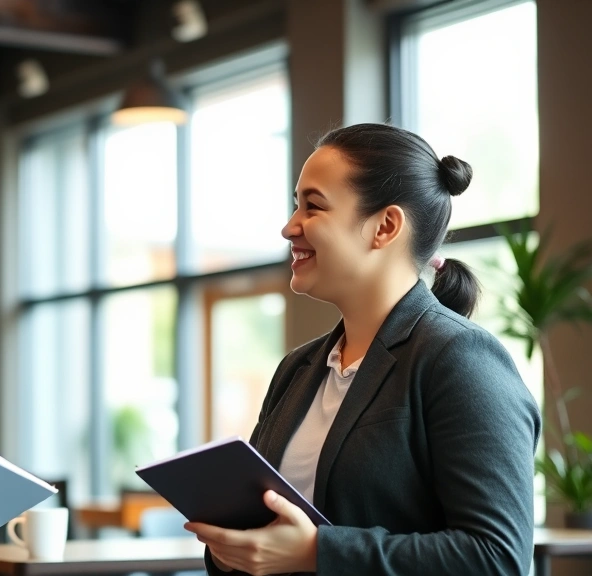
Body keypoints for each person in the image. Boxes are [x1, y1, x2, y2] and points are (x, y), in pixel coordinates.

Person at [185, 123, 541, 575]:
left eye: (312, 206)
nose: (289, 227)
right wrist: (234, 546)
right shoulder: (298, 369)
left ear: (385, 226)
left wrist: (317, 552)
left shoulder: (459, 359)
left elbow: (497, 558)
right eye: (296, 205)